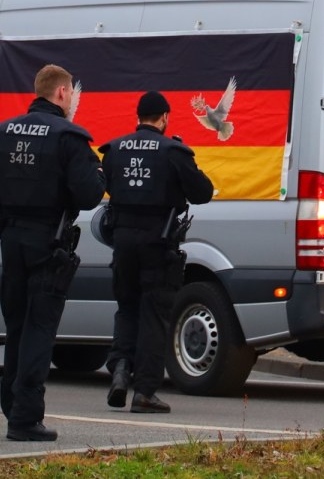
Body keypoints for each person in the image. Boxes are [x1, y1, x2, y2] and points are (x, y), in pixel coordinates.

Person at [0, 64, 105, 442]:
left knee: (17, 326)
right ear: (61, 93)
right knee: (39, 330)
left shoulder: (3, 132)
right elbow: (90, 194)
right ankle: (26, 419)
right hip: (48, 244)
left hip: (11, 243)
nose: (73, 100)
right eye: (72, 94)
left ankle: (12, 407)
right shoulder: (70, 137)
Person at [101, 91, 213, 414]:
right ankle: (145, 392)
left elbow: (102, 185)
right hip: (157, 245)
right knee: (154, 314)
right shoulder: (174, 151)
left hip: (121, 244)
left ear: (138, 117)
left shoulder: (115, 149)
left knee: (126, 308)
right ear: (164, 117)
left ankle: (121, 369)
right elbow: (202, 191)